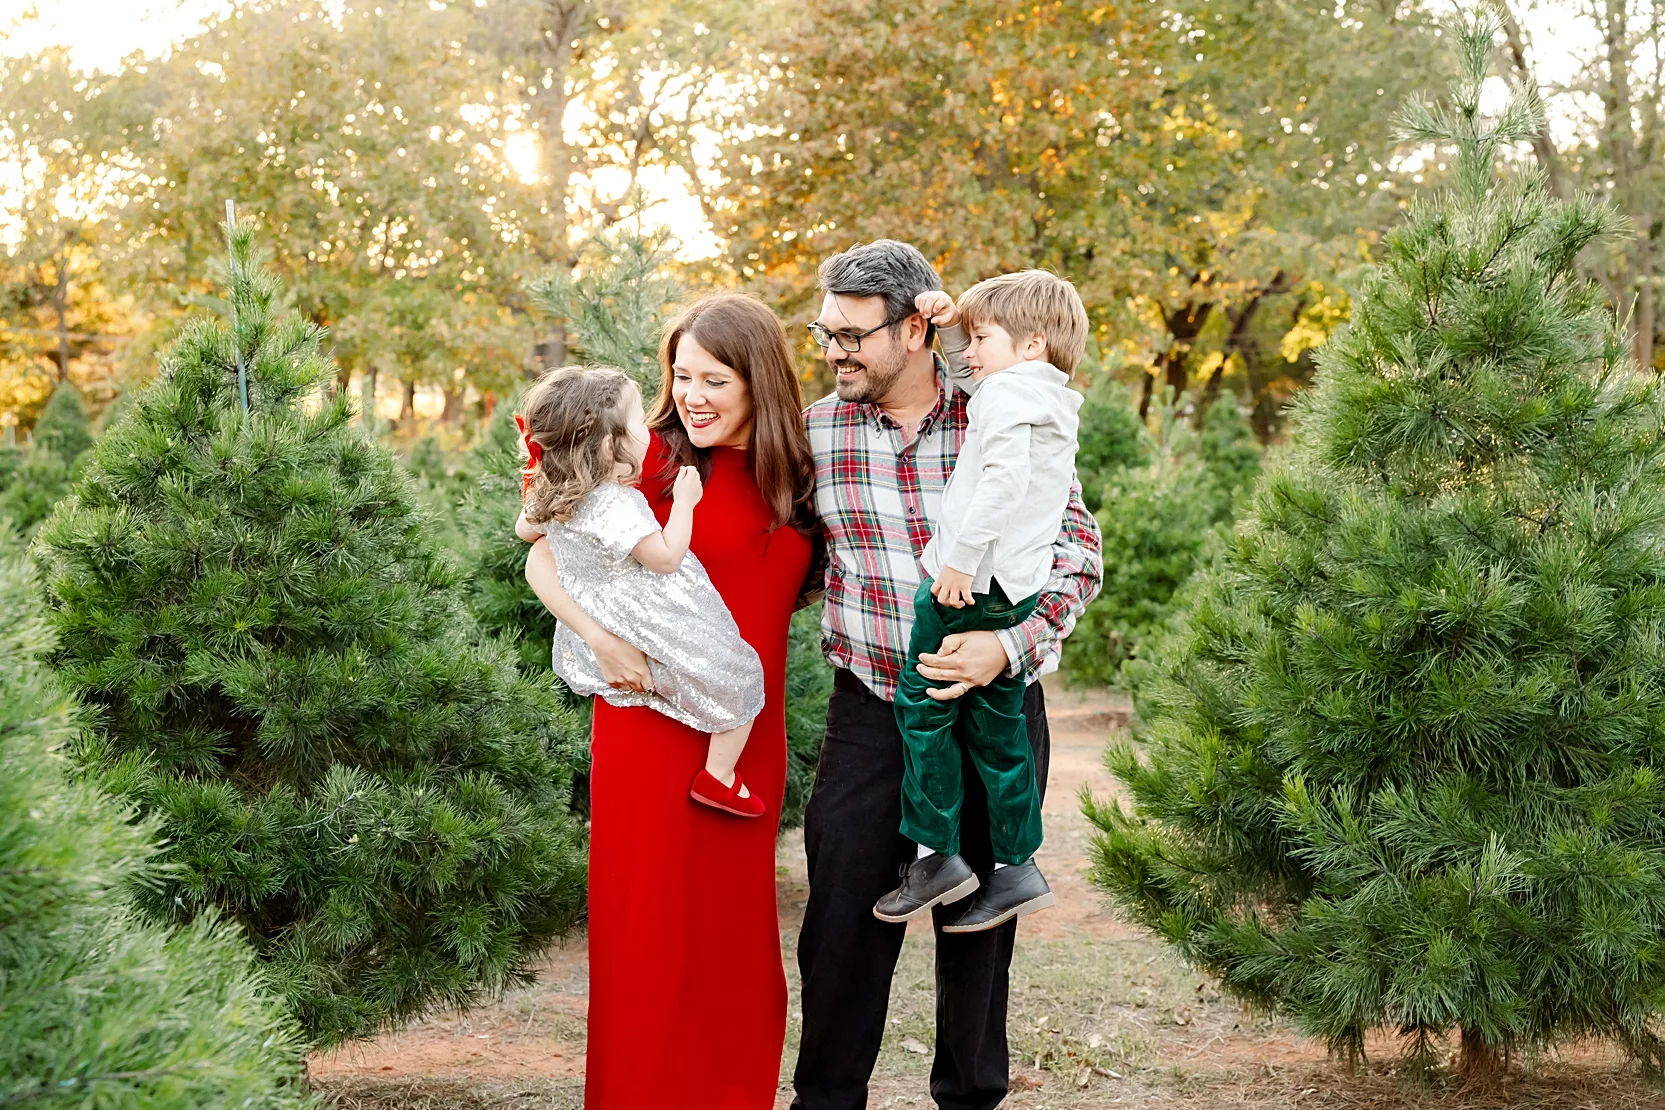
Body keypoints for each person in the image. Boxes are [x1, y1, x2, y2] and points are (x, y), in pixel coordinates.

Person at [794, 240, 1102, 1110]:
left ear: (919, 328)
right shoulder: (814, 432)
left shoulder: (1005, 413)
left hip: (989, 707)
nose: (836, 350)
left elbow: (1077, 554)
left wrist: (1007, 649)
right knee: (842, 933)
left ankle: (969, 1100)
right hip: (869, 715)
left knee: (976, 940)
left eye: (855, 333)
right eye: (827, 332)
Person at [521, 293, 818, 1109]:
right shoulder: (648, 460)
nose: (692, 395)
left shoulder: (803, 472)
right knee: (646, 933)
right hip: (645, 727)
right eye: (681, 375)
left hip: (742, 735)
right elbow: (543, 556)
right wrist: (601, 639)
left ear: (759, 380)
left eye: (713, 378)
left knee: (732, 939)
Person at [874, 270, 1087, 931]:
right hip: (1015, 592)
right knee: (999, 735)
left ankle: (935, 854)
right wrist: (956, 315)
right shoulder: (1046, 398)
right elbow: (987, 398)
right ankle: (1014, 866)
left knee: (921, 705)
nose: (968, 353)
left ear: (1032, 343)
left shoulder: (1003, 397)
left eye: (981, 338)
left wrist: (958, 561)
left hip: (968, 582)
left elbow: (1000, 479)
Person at [513, 364, 767, 818]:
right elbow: (666, 558)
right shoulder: (614, 503)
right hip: (649, 618)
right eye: (636, 422)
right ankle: (720, 776)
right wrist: (686, 503)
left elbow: (525, 531)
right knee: (741, 675)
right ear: (612, 444)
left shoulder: (561, 490)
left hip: (605, 614)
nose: (646, 429)